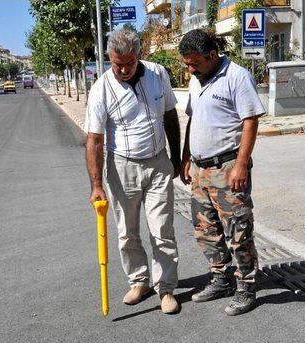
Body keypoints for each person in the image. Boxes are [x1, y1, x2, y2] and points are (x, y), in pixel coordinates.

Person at [84, 30, 182, 314]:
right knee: (127, 232)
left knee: (162, 229)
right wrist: (96, 185)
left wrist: (175, 157)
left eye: (129, 62)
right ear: (109, 59)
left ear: (139, 55)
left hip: (158, 163)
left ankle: (166, 288)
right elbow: (95, 139)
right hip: (121, 167)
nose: (124, 69)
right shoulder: (101, 89)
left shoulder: (157, 73)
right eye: (117, 64)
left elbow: (170, 115)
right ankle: (139, 281)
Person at [178, 29, 265, 316]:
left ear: (212, 55)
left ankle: (246, 286)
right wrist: (187, 157)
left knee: (238, 231)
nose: (190, 69)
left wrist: (241, 164)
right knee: (206, 229)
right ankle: (221, 279)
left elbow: (250, 121)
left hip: (228, 168)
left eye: (194, 64)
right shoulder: (196, 79)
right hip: (200, 170)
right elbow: (193, 120)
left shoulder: (237, 76)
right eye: (187, 64)